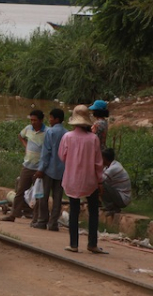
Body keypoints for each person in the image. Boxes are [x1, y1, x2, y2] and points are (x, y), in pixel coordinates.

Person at [58, 105, 106, 254]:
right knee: (93, 211)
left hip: (72, 179)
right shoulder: (93, 139)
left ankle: (74, 244)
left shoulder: (67, 137)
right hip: (90, 180)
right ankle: (92, 243)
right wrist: (99, 181)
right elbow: (98, 162)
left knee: (74, 211)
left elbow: (62, 156)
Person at [0, 109, 46, 223]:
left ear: (41, 120)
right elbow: (20, 136)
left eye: (35, 120)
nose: (33, 122)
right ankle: (13, 215)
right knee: (20, 191)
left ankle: (36, 218)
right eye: (31, 120)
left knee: (38, 194)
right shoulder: (27, 129)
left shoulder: (47, 132)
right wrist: (26, 145)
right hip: (27, 165)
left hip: (39, 168)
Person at [34, 108, 68, 231]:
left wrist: (41, 169)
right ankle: (53, 223)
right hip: (62, 171)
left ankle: (42, 220)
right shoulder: (67, 133)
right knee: (57, 198)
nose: (50, 120)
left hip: (49, 169)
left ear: (56, 119)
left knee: (44, 196)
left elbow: (46, 152)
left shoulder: (50, 132)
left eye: (51, 118)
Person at [101, 147, 131, 214]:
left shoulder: (113, 168)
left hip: (123, 199)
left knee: (101, 185)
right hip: (119, 195)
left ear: (104, 158)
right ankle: (109, 206)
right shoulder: (109, 166)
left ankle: (112, 208)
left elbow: (100, 180)